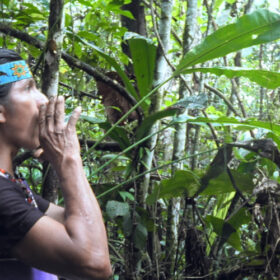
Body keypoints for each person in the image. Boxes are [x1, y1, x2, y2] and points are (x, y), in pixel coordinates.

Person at [0, 48, 112, 280]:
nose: (43, 100)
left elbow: (85, 229)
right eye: (28, 89)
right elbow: (95, 262)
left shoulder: (10, 185)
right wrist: (68, 159)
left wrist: (67, 157)